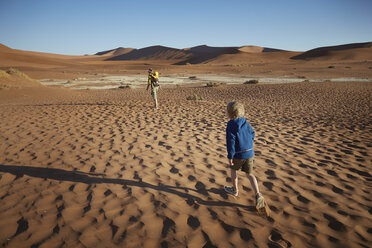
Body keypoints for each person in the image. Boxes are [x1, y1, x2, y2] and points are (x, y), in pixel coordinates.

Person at [224, 101, 269, 215]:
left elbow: (231, 142)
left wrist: (230, 156)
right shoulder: (245, 121)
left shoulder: (231, 124)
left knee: (233, 170)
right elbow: (252, 133)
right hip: (249, 153)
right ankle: (258, 194)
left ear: (229, 113)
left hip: (238, 154)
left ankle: (235, 190)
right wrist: (248, 143)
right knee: (250, 174)